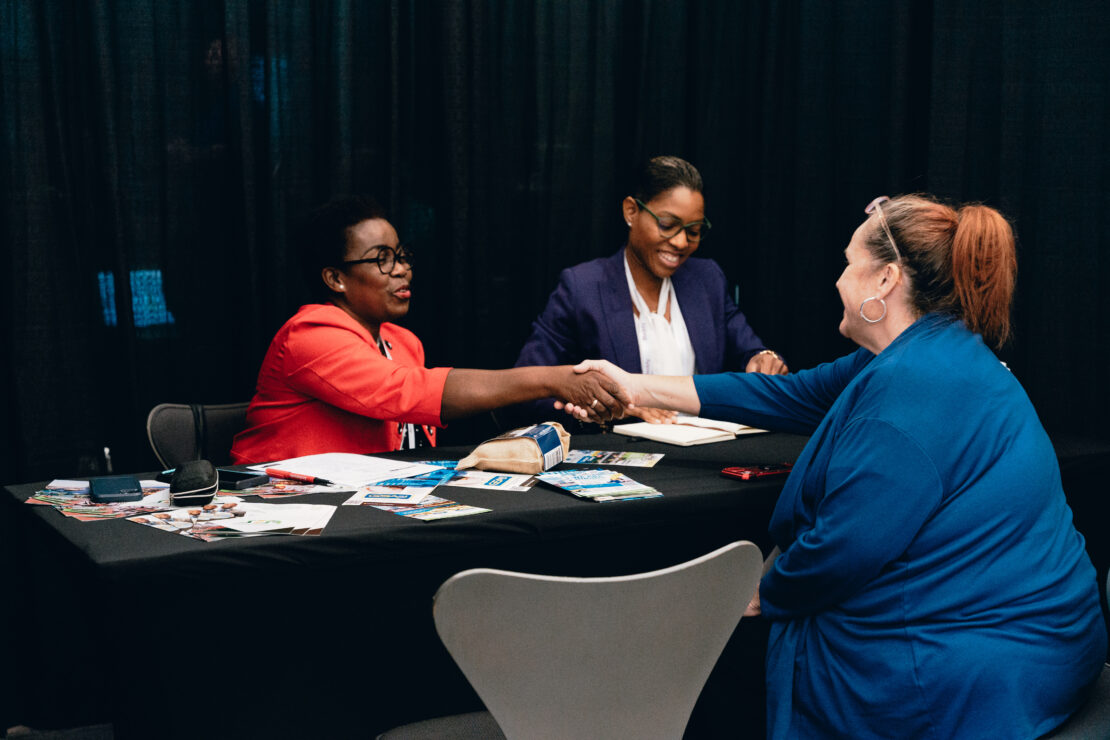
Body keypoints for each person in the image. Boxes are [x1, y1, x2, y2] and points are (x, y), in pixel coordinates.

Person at [566, 194, 1107, 738]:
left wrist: (751, 594)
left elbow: (843, 551)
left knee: (721, 664)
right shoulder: (929, 349)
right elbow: (784, 395)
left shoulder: (911, 391)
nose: (838, 280)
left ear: (885, 280)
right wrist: (633, 384)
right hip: (1052, 640)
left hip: (976, 671)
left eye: (849, 264)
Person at [230, 195, 622, 464]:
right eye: (382, 259)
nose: (402, 268)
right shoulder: (310, 334)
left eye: (401, 255)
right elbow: (410, 392)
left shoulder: (403, 343)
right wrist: (551, 379)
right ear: (335, 278)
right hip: (280, 511)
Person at [511, 155, 786, 424]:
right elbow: (528, 392)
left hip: (705, 451)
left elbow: (751, 352)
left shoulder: (708, 279)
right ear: (631, 211)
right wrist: (614, 407)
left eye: (693, 231)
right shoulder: (582, 288)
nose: (680, 242)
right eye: (667, 225)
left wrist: (763, 359)